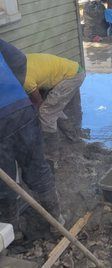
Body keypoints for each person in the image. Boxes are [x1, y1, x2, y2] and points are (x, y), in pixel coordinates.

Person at [0, 46, 63, 239]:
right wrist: (13, 88)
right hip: (21, 107)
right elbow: (19, 59)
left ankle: (14, 233)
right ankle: (57, 222)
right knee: (37, 167)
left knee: (5, 180)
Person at [23, 53, 85, 138]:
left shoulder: (26, 80)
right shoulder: (19, 60)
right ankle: (72, 134)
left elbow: (38, 101)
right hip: (72, 69)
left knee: (45, 112)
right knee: (53, 107)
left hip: (72, 77)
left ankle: (52, 147)